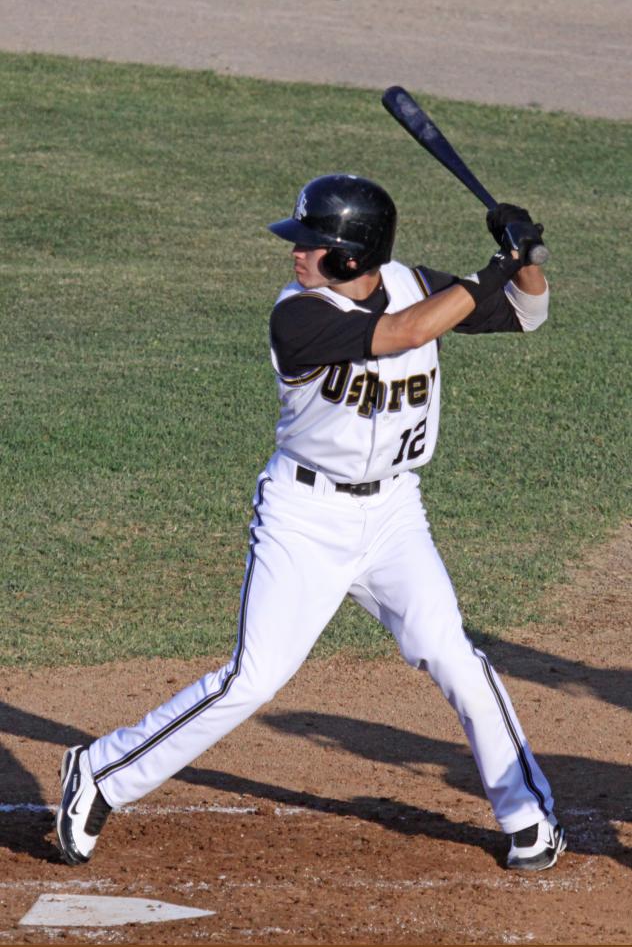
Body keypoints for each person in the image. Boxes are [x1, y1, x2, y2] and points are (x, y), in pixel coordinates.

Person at [55, 174, 565, 872]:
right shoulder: (297, 314)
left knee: (453, 653)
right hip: (305, 517)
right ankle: (101, 772)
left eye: (312, 244)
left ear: (356, 255)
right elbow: (404, 333)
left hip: (392, 515)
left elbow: (527, 313)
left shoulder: (417, 283)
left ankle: (528, 815)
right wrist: (496, 264)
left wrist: (526, 254)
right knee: (254, 680)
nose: (296, 253)